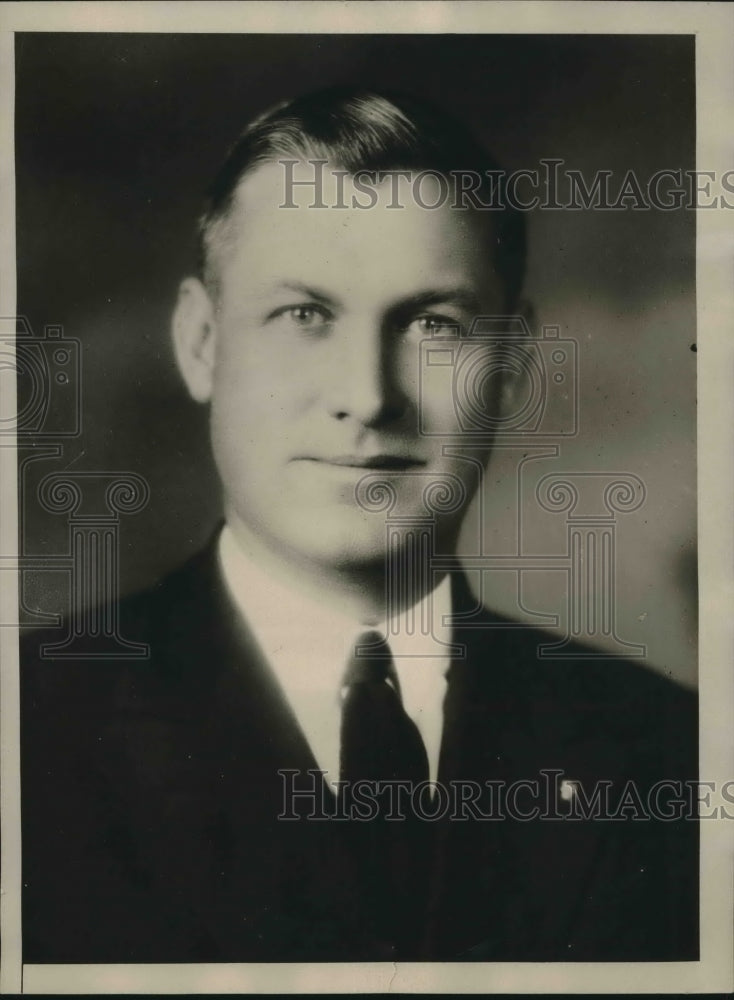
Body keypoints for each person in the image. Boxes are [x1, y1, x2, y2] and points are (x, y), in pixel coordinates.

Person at [21, 87, 698, 963]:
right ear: (201, 343)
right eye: (304, 316)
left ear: (513, 366)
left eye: (432, 324)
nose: (368, 397)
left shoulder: (670, 750)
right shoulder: (27, 728)